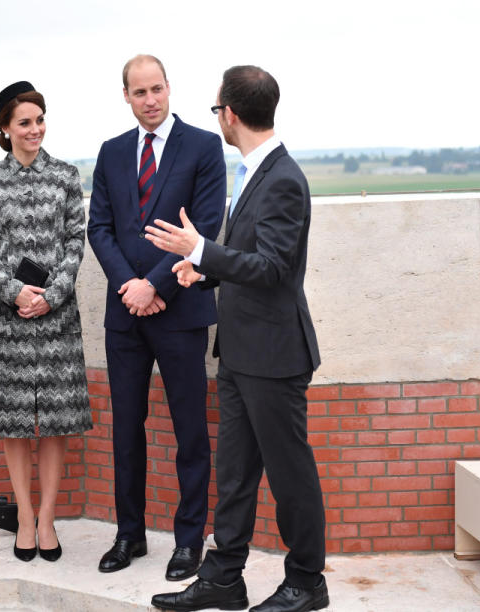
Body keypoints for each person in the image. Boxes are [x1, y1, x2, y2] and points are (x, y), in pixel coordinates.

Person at [147, 65, 328, 612]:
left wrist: (200, 250)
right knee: (235, 475)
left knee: (290, 475)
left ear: (229, 114)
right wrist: (205, 271)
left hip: (275, 356)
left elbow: (274, 267)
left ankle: (306, 583)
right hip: (241, 352)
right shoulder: (255, 171)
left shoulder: (282, 178)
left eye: (216, 109)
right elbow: (251, 259)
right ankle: (224, 578)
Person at [86, 55, 226, 581]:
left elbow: (207, 227)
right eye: (139, 92)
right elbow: (99, 227)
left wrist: (156, 285)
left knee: (190, 432)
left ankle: (189, 541)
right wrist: (132, 288)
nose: (150, 100)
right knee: (128, 430)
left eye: (157, 89)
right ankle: (130, 535)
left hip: (181, 312)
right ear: (125, 95)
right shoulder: (112, 152)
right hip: (126, 315)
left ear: (170, 89)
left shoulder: (203, 147)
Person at [0, 81, 92, 563]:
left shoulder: (66, 176)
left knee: (56, 424)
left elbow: (75, 241)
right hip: (8, 318)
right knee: (16, 424)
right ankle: (24, 516)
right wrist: (14, 290)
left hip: (57, 316)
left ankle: (47, 518)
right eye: (24, 122)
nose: (35, 129)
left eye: (40, 120)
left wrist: (52, 294)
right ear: (5, 128)